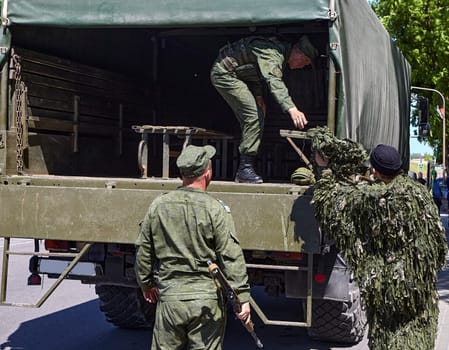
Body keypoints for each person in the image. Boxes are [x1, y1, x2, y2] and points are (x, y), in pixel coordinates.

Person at [308, 130, 448, 350]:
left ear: (374, 170)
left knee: (388, 341)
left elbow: (331, 210)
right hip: (420, 295)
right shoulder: (422, 196)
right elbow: (439, 249)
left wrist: (324, 168)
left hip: (387, 296)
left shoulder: (371, 200)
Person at [135, 144, 251, 350]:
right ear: (207, 173)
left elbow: (144, 250)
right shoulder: (215, 209)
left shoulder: (159, 205)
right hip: (205, 301)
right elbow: (230, 255)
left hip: (171, 298)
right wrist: (242, 297)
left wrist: (146, 284)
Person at [210, 35, 318, 184]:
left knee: (257, 113)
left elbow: (253, 72)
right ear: (298, 53)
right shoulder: (273, 55)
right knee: (254, 116)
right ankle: (244, 170)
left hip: (237, 74)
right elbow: (273, 81)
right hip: (225, 74)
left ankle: (246, 167)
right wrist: (291, 108)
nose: (303, 66)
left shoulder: (279, 54)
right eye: (305, 61)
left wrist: (259, 97)